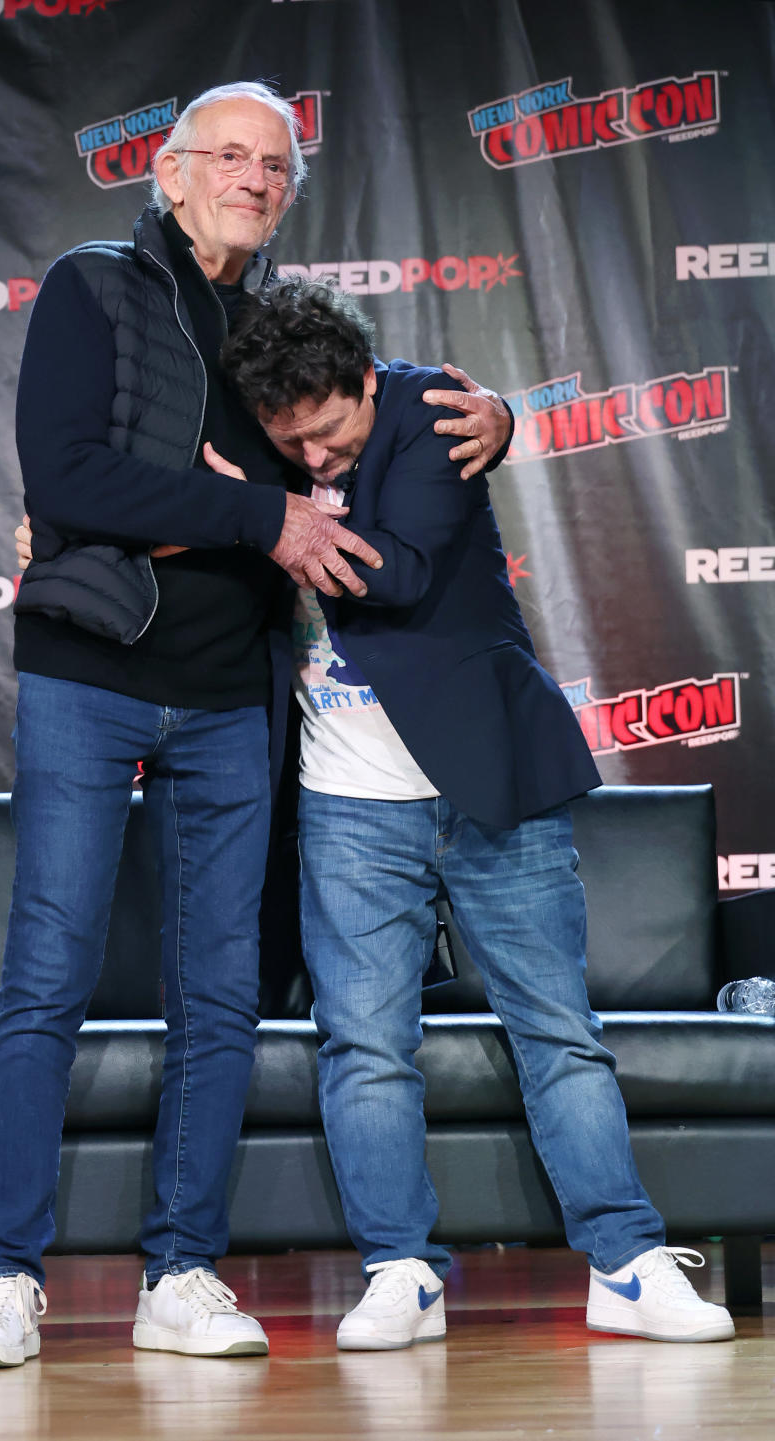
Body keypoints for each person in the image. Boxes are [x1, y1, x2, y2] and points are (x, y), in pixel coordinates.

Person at [0, 81, 512, 1370]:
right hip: (90, 667)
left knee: (218, 991)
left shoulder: (280, 322)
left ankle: (182, 1271)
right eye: (231, 157)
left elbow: (367, 440)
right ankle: (0, 1277)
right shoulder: (92, 286)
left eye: (275, 164)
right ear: (172, 167)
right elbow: (66, 477)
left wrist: (505, 417)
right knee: (47, 972)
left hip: (230, 692)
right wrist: (256, 516)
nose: (254, 178)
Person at [213, 279, 736, 1351]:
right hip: (347, 800)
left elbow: (396, 574)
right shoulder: (272, 447)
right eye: (292, 446)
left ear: (366, 383)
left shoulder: (437, 412)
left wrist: (272, 518)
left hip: (487, 781)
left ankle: (628, 1262)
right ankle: (400, 1268)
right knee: (362, 1044)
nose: (315, 459)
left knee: (558, 1031)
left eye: (330, 432)